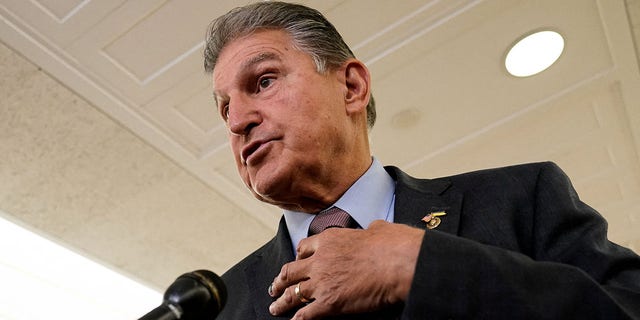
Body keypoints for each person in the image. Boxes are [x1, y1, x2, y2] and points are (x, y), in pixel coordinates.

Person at [203, 2, 640, 319]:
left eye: (263, 81)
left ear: (352, 87)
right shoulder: (218, 305)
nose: (239, 120)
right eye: (225, 109)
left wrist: (417, 266)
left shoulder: (522, 198)